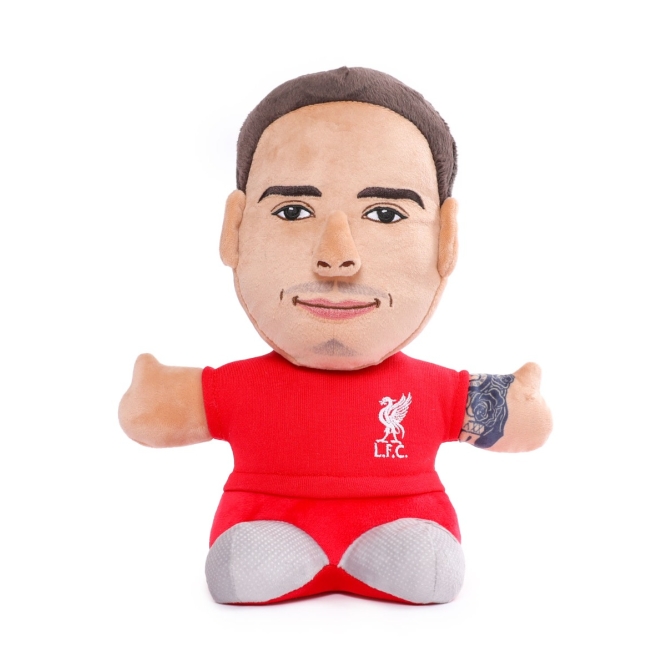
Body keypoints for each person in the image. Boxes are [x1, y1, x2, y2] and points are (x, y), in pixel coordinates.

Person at [119, 67, 552, 605]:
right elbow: (154, 413)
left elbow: (517, 421)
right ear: (236, 232)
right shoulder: (240, 386)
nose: (337, 257)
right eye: (293, 211)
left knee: (427, 565)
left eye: (386, 214)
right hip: (267, 526)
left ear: (446, 241)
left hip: (403, 527)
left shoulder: (430, 389)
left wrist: (518, 402)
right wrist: (156, 393)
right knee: (244, 567)